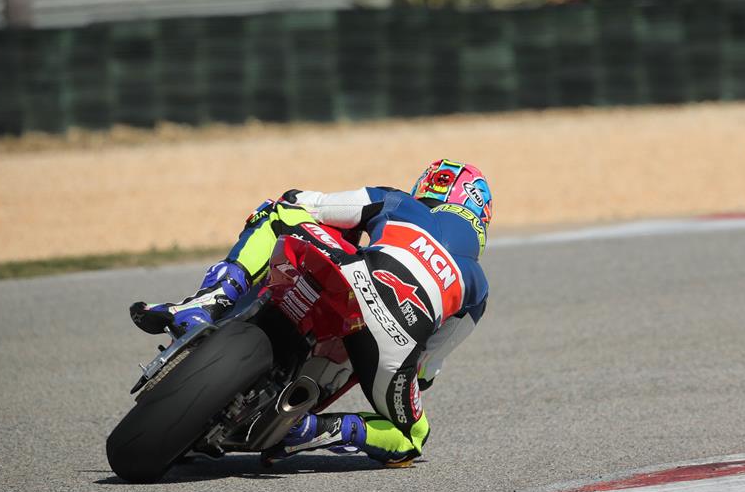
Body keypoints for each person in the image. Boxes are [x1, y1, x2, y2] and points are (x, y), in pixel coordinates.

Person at [130, 159, 492, 467]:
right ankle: (310, 430)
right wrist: (407, 380)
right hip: (392, 348)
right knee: (412, 437)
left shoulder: (399, 202)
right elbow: (428, 367)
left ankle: (207, 304)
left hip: (351, 276)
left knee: (278, 210)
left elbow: (306, 202)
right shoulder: (478, 287)